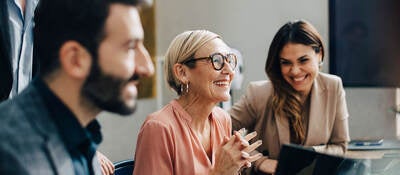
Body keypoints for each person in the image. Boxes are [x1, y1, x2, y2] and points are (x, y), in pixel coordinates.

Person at [0, 0, 154, 174]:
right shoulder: (13, 159)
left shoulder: (84, 150)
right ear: (75, 59)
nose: (147, 67)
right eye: (130, 48)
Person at [229, 20, 350, 174]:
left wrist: (310, 154)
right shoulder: (259, 92)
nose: (295, 71)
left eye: (303, 60)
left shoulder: (333, 86)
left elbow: (340, 146)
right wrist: (260, 162)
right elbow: (220, 133)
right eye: (286, 63)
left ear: (319, 55)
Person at [134, 30, 262, 175]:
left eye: (230, 60)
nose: (229, 71)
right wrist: (219, 173)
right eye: (217, 60)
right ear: (182, 72)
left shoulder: (222, 119)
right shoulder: (158, 128)